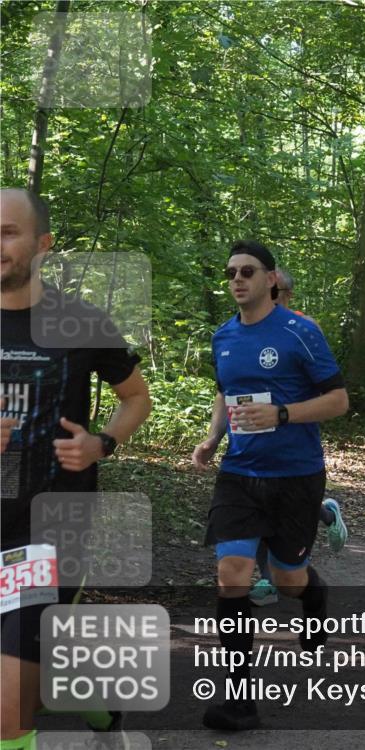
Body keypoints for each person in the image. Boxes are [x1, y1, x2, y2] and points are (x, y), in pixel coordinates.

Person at [1, 188, 152, 749]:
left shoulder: (81, 321)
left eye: (8, 232)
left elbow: (136, 398)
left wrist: (102, 442)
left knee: (8, 705)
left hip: (48, 531)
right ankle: (102, 708)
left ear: (43, 245)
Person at [191, 239, 348, 731]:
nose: (237, 279)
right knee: (233, 572)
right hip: (240, 473)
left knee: (287, 579)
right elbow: (226, 390)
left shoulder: (300, 332)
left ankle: (313, 594)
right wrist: (213, 436)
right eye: (231, 272)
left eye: (248, 271)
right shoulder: (223, 337)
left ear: (271, 279)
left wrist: (282, 413)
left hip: (296, 475)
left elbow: (339, 400)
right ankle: (240, 701)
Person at [249, 267, 346, 608]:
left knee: (284, 507)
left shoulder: (307, 328)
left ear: (286, 294)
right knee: (258, 507)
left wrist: (289, 408)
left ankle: (325, 513)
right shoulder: (246, 327)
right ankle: (265, 578)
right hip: (254, 440)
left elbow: (326, 386)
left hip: (294, 440)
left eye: (276, 293)